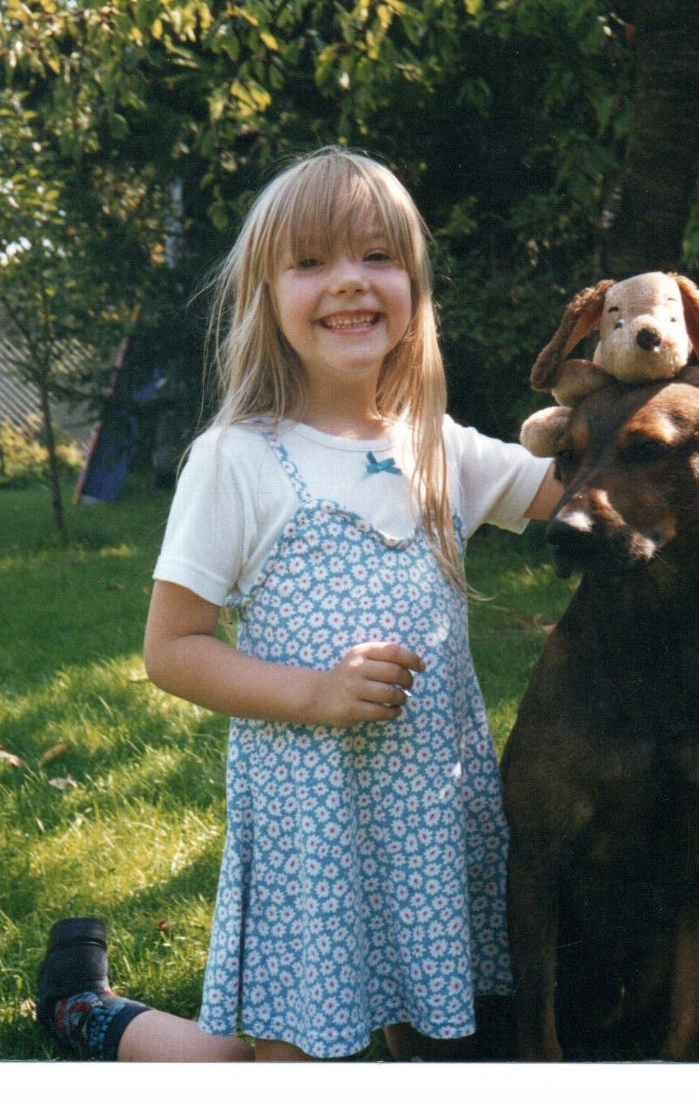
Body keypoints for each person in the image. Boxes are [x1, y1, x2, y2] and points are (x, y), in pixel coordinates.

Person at [39, 146, 565, 1062]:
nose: (348, 284)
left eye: (376, 256)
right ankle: (86, 1010)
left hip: (434, 827)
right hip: (310, 829)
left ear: (413, 284)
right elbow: (173, 649)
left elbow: (582, 493)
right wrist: (317, 694)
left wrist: (645, 383)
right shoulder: (236, 458)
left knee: (445, 1041)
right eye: (311, 262)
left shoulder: (438, 447)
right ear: (266, 295)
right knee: (282, 1066)